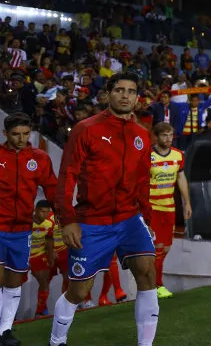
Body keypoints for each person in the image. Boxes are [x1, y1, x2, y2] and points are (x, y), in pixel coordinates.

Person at [51, 73, 158, 346]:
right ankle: (57, 340)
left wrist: (147, 218)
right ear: (108, 94)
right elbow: (67, 177)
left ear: (137, 97)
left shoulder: (142, 136)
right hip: (91, 221)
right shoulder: (85, 129)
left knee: (147, 272)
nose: (125, 95)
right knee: (79, 290)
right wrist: (68, 220)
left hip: (129, 219)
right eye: (119, 90)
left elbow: (143, 181)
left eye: (131, 91)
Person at [0, 113, 56, 346]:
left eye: (25, 134)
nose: (21, 139)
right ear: (5, 134)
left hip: (23, 230)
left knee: (14, 282)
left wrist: (65, 215)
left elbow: (52, 189)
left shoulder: (40, 158)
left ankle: (5, 332)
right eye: (15, 135)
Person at [146, 122, 192, 299]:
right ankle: (156, 286)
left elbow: (181, 178)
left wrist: (187, 203)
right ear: (156, 137)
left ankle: (152, 283)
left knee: (165, 248)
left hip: (170, 208)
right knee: (157, 249)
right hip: (153, 209)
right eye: (164, 135)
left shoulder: (178, 155)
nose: (168, 138)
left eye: (170, 135)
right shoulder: (148, 156)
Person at [30, 200, 59, 316]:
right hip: (24, 256)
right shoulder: (27, 222)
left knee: (44, 281)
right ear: (35, 210)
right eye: (42, 211)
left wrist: (51, 254)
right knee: (13, 285)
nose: (45, 215)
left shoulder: (48, 223)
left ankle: (40, 311)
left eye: (47, 212)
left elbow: (49, 238)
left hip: (39, 255)